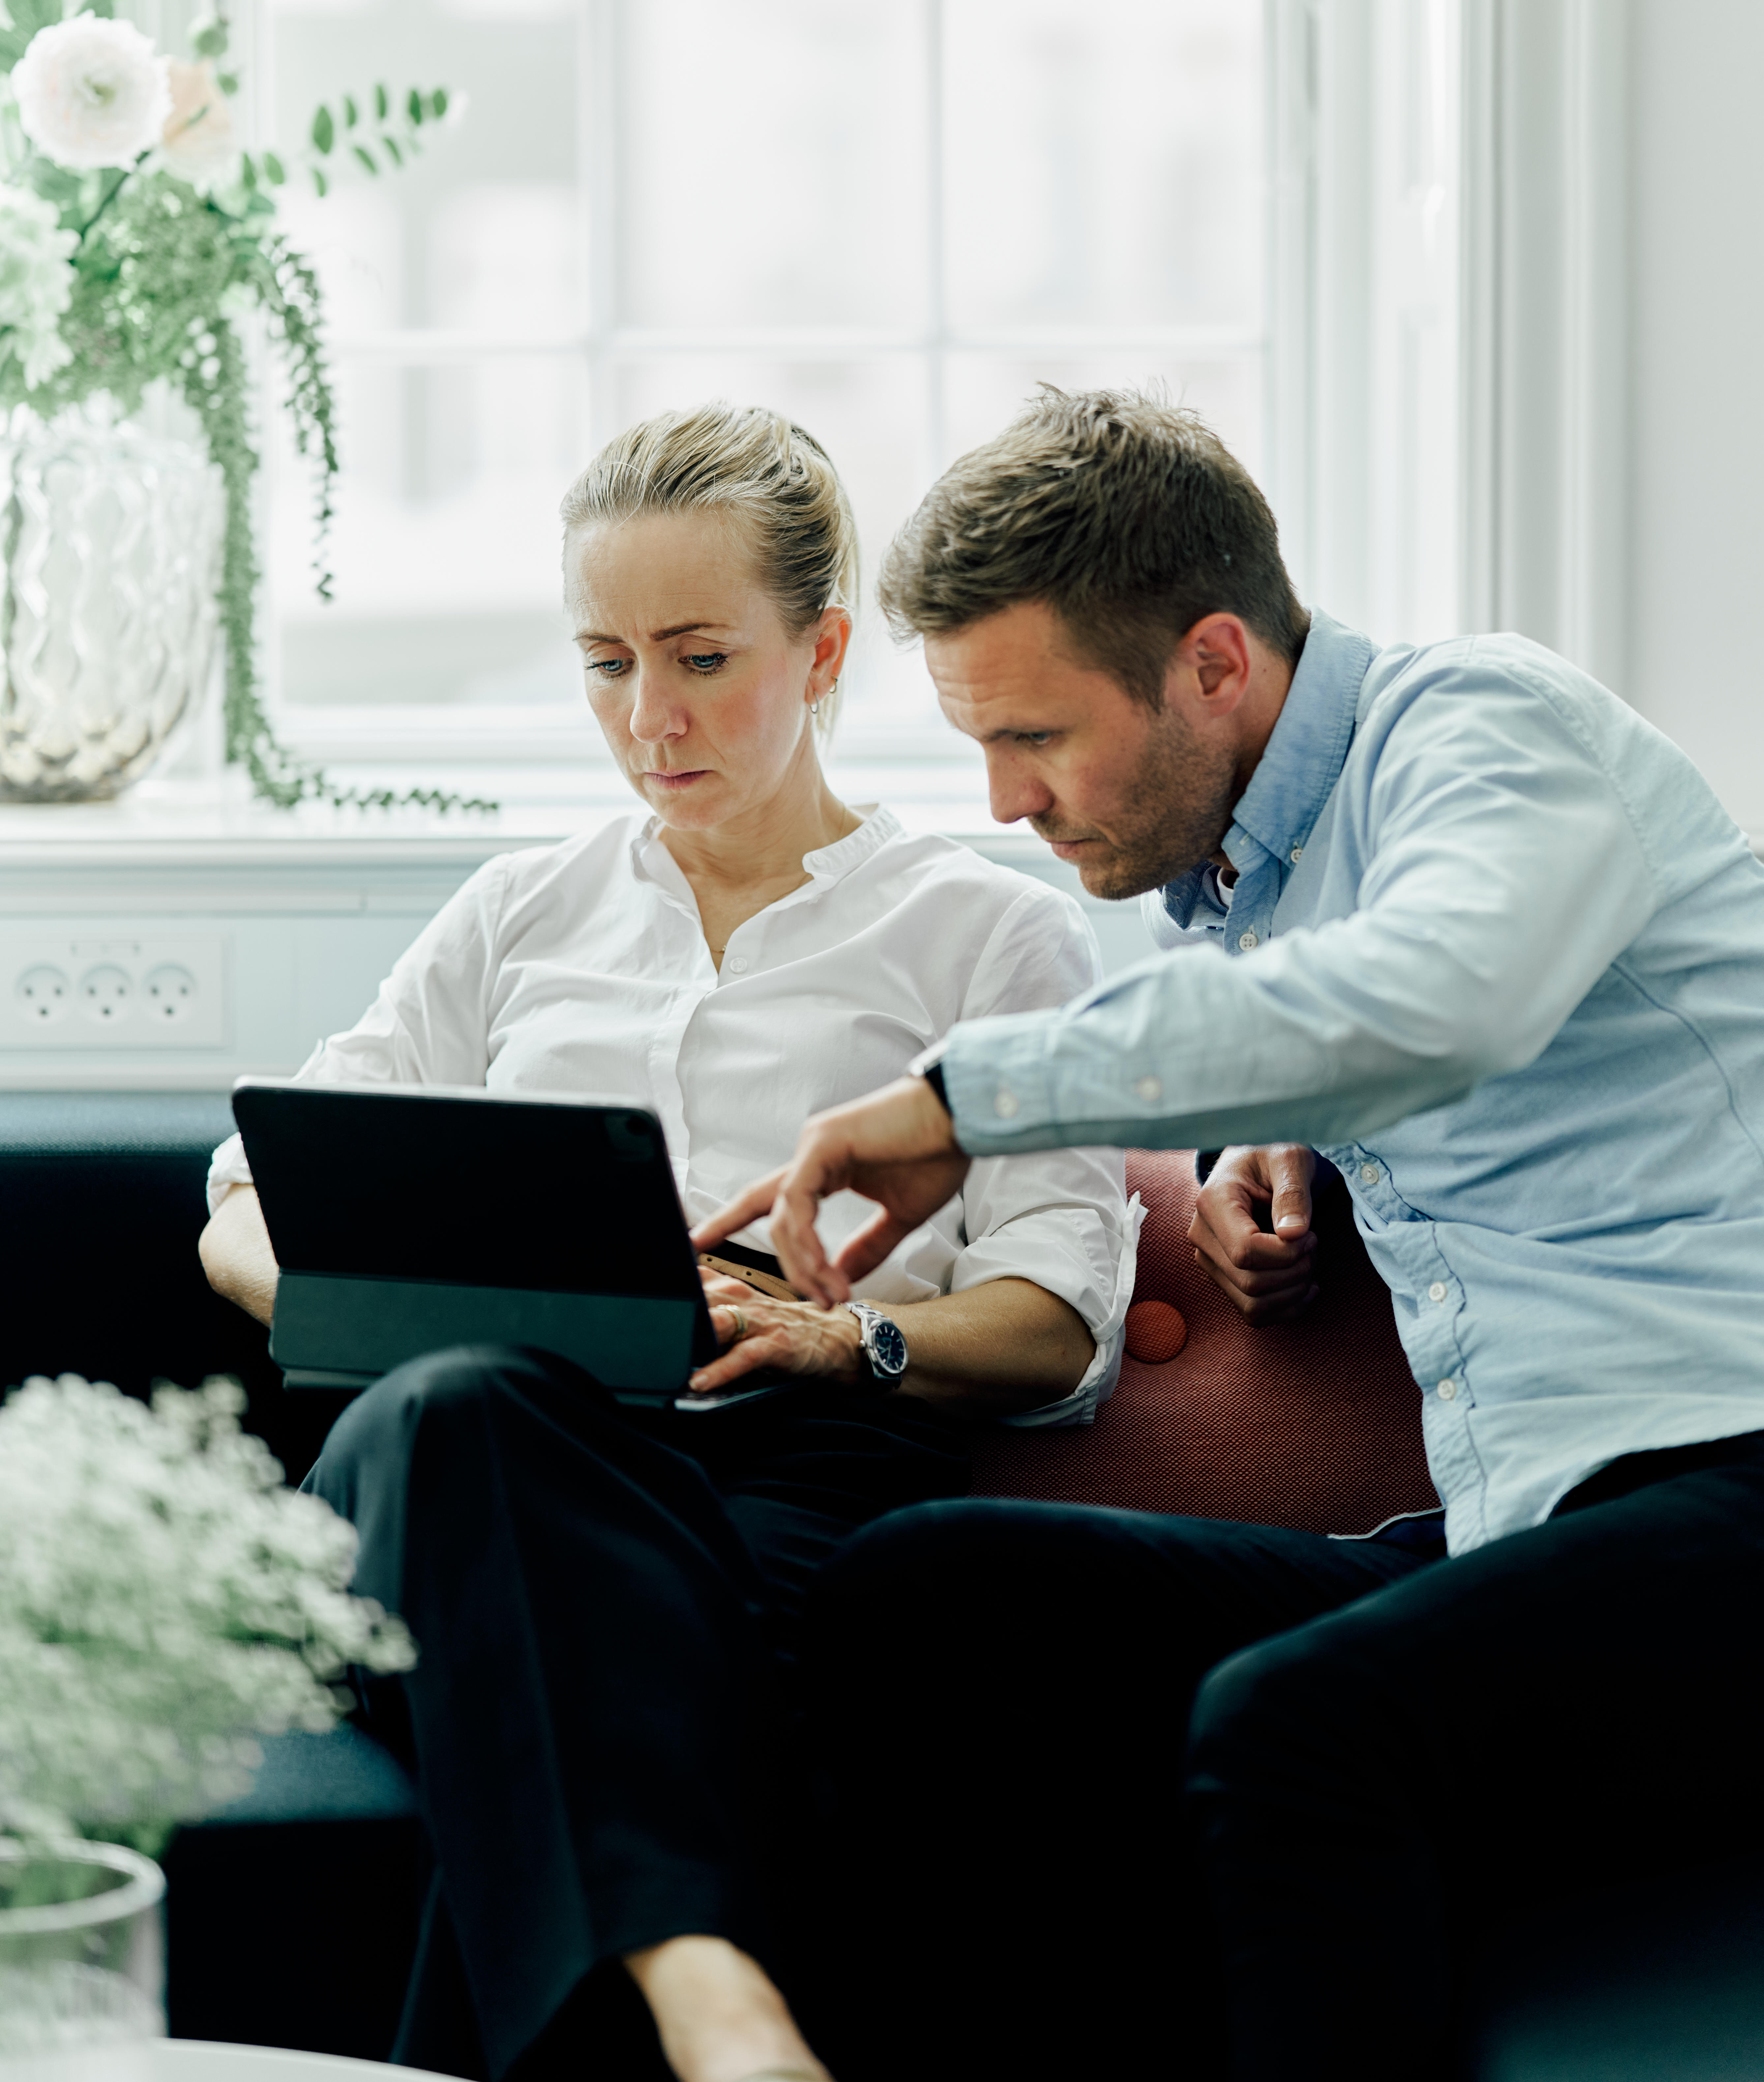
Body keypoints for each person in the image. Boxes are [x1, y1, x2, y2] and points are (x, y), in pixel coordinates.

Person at [697, 385, 1764, 2081]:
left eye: (1037, 738)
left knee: (1301, 1730)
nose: (1003, 804)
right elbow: (1351, 1016)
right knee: (928, 1599)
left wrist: (967, 1099)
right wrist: (1291, 1141)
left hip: (1733, 1483)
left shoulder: (1483, 724)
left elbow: (1445, 992)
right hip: (1523, 1535)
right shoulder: (1244, 895)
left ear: (1212, 663)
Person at [198, 403, 1132, 2082]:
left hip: (799, 1466)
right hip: (472, 1454)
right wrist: (368, 1303)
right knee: (470, 1410)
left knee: (608, 1690)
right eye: (606, 662)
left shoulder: (990, 930)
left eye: (701, 657)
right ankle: (722, 2009)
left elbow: (1061, 1317)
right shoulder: (519, 913)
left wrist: (846, 1337)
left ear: (826, 647)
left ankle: (686, 1980)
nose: (650, 718)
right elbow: (242, 1196)